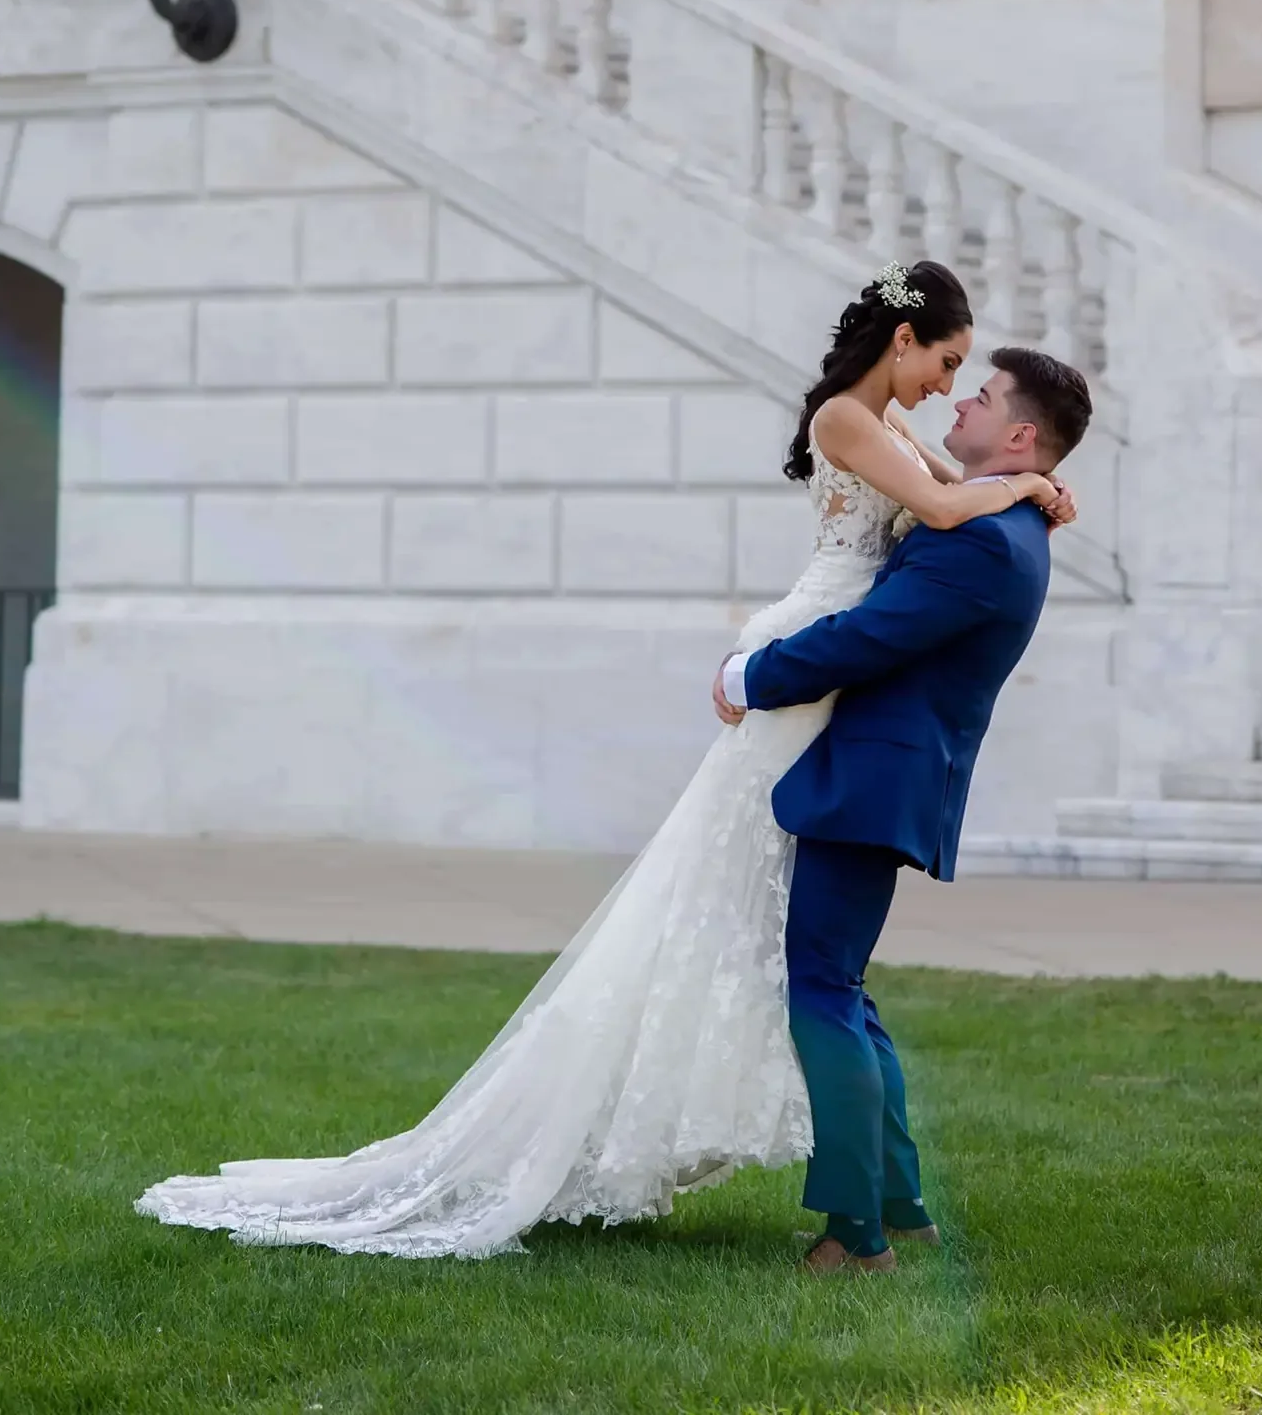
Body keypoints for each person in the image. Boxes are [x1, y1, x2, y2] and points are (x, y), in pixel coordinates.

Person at [135, 259, 1074, 1260]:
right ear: (900, 342)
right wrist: (1019, 484)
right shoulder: (850, 420)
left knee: (816, 978)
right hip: (806, 673)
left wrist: (1018, 484)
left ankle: (872, 1217)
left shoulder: (911, 446)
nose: (950, 387)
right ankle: (875, 1215)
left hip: (832, 699)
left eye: (971, 381)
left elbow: (940, 506)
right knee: (806, 966)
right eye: (946, 363)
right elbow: (937, 510)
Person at [714, 328, 1094, 1274]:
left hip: (874, 778)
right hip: (881, 773)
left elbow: (868, 637)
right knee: (841, 985)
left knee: (823, 991)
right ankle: (901, 1203)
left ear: (1019, 438)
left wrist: (750, 672)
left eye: (984, 395)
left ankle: (854, 1233)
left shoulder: (985, 550)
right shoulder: (996, 523)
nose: (961, 402)